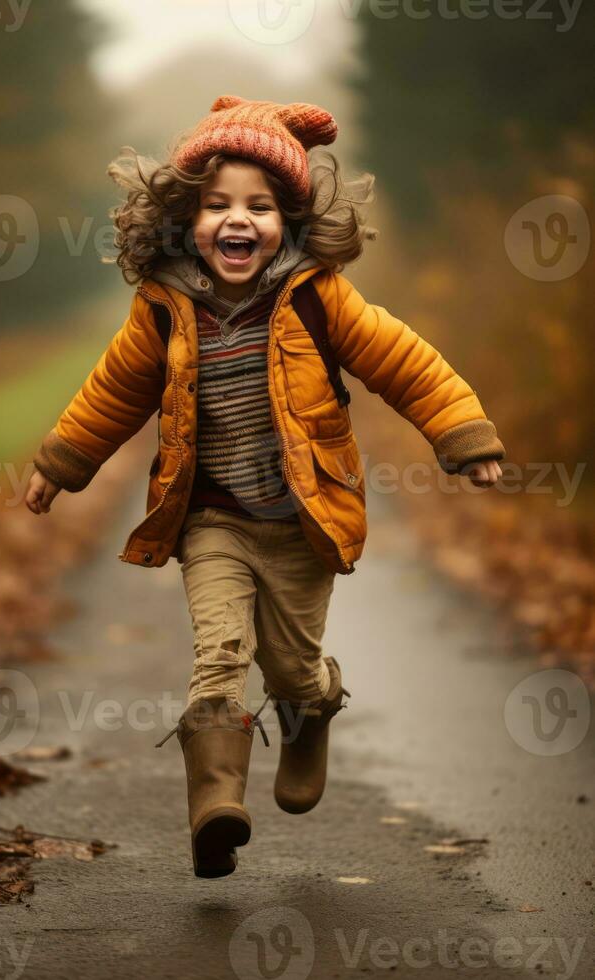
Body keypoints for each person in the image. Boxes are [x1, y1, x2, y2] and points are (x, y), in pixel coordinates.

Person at [25, 95, 505, 879]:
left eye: (259, 206)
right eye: (216, 205)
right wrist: (59, 466)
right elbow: (112, 392)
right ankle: (216, 805)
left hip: (301, 520)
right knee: (217, 653)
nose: (236, 220)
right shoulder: (163, 309)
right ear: (185, 218)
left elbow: (404, 362)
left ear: (290, 220)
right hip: (211, 517)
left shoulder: (317, 298)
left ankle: (312, 707)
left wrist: (461, 435)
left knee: (289, 667)